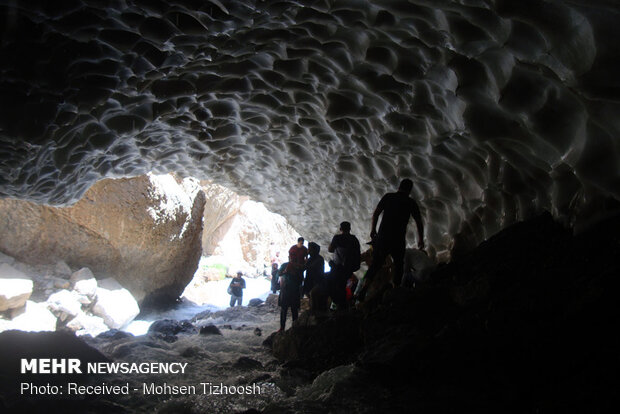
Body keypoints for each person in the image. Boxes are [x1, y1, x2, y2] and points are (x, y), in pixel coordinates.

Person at [358, 179, 424, 301]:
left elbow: (376, 213)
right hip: (398, 240)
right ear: (409, 190)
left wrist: (373, 229)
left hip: (383, 238)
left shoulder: (389, 197)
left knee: (375, 264)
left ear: (399, 186)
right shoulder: (410, 202)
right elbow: (419, 222)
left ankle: (365, 288)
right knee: (399, 265)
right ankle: (395, 289)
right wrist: (420, 239)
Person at [327, 221, 361, 309]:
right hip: (349, 268)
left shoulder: (337, 238)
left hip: (338, 267)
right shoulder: (354, 239)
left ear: (340, 229)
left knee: (335, 285)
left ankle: (340, 305)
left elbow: (330, 249)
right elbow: (358, 254)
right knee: (343, 285)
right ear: (350, 229)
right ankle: (343, 305)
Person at [277, 262, 302, 332]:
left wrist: (294, 273)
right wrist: (285, 271)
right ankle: (282, 327)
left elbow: (300, 280)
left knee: (294, 310)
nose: (292, 257)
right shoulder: (284, 265)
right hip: (285, 290)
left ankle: (295, 327)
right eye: (291, 254)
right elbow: (278, 273)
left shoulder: (298, 266)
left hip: (294, 291)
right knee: (284, 310)